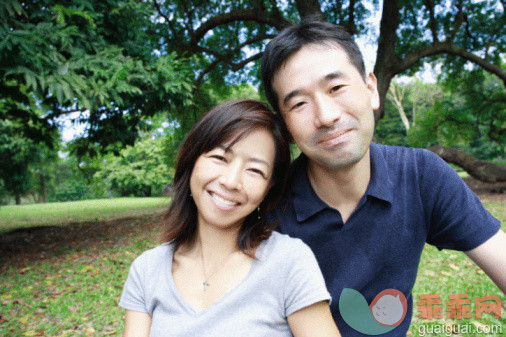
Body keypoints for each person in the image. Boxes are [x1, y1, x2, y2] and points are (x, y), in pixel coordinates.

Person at [261, 19, 506, 336]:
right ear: (286, 127)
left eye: (336, 88)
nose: (326, 116)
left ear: (371, 89)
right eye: (299, 104)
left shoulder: (421, 176)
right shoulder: (266, 208)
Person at [119, 99, 341, 337]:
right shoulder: (146, 270)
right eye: (220, 158)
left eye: (255, 170)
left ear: (269, 187)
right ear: (192, 159)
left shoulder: (289, 263)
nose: (231, 181)